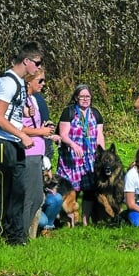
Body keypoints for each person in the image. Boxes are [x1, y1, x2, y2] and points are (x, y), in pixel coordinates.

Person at [0, 43, 50, 245]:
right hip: (1, 143)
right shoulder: (7, 82)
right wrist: (22, 135)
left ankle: (16, 237)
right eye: (37, 63)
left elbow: (11, 113)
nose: (39, 68)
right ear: (26, 61)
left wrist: (25, 115)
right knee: (1, 193)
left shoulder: (20, 84)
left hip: (14, 143)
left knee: (18, 191)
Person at [55, 83, 104, 225]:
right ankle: (69, 218)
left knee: (89, 190)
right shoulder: (69, 112)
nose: (85, 99)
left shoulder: (95, 113)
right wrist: (73, 145)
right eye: (82, 96)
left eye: (87, 96)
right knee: (70, 189)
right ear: (76, 97)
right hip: (71, 157)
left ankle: (85, 220)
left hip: (90, 158)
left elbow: (99, 135)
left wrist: (102, 153)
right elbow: (63, 134)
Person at [20, 69, 62, 236]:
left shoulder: (35, 100)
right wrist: (40, 131)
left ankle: (33, 234)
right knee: (30, 199)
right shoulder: (21, 101)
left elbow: (37, 126)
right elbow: (20, 128)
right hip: (28, 154)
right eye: (40, 80)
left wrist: (48, 132)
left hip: (39, 154)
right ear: (29, 81)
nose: (43, 84)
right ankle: (23, 236)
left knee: (38, 198)